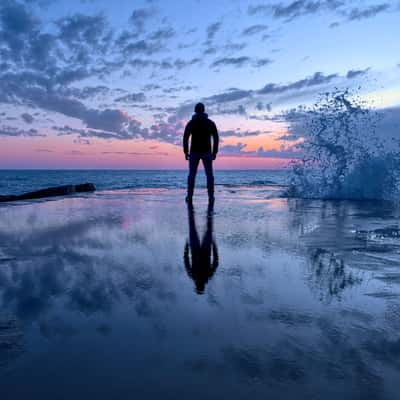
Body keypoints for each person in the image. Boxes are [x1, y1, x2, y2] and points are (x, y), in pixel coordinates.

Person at [183, 103, 219, 203]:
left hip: (194, 152)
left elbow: (185, 138)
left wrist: (185, 151)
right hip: (207, 152)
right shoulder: (210, 123)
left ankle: (189, 196)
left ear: (195, 111)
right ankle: (211, 196)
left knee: (192, 175)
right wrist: (214, 152)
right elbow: (216, 138)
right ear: (203, 110)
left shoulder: (191, 123)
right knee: (209, 175)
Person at [184, 202, 219, 294]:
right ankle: (209, 204)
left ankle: (193, 204)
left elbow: (186, 261)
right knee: (201, 225)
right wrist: (214, 246)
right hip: (204, 249)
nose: (198, 284)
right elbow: (215, 262)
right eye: (199, 286)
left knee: (197, 225)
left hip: (197, 249)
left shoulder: (196, 275)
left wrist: (186, 248)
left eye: (198, 286)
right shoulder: (205, 275)